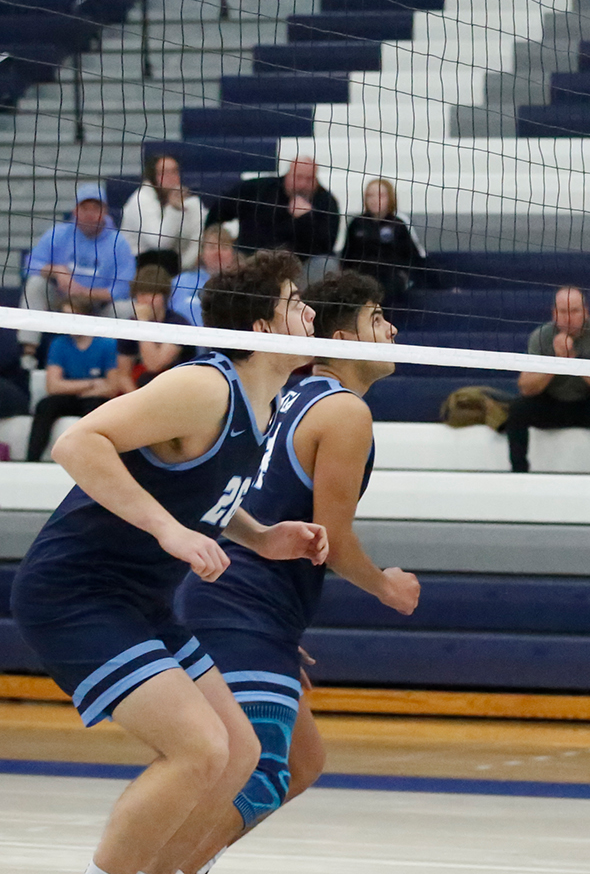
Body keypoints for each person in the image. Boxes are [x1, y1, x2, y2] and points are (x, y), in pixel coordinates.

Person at [7, 249, 327, 874]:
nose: (312, 313)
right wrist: (166, 530)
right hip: (76, 593)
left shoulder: (265, 403)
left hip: (143, 600)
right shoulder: (204, 386)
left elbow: (201, 490)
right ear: (262, 327)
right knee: (198, 750)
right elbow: (77, 443)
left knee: (240, 754)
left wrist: (261, 537)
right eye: (296, 303)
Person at [173, 271, 419, 872]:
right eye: (376, 318)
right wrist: (387, 586)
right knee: (260, 774)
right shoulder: (344, 412)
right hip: (241, 605)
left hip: (231, 599)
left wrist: (277, 635)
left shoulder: (284, 393)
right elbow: (332, 543)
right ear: (344, 339)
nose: (391, 328)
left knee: (302, 762)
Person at [505, 285, 590, 475]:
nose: (569, 318)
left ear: (586, 312)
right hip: (552, 404)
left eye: (575, 311)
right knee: (518, 408)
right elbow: (526, 387)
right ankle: (519, 473)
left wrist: (573, 359)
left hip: (588, 403)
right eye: (563, 312)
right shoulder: (541, 336)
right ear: (554, 314)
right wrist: (556, 361)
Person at [19, 183, 137, 365]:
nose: (90, 214)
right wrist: (57, 270)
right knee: (35, 284)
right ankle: (28, 352)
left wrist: (84, 292)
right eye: (84, 208)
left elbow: (123, 289)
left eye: (95, 208)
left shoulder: (119, 243)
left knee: (126, 308)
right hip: (63, 302)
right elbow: (29, 264)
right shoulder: (59, 234)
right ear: (75, 211)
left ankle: (113, 361)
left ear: (105, 212)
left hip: (98, 307)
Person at [202, 155, 341, 285]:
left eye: (309, 179)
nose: (302, 184)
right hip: (252, 263)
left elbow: (327, 245)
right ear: (288, 175)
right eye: (298, 177)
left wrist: (306, 219)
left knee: (326, 264)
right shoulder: (258, 190)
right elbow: (219, 210)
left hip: (300, 269)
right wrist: (216, 239)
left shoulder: (326, 202)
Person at [27, 316, 123, 462]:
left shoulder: (107, 344)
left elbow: (111, 387)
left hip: (95, 398)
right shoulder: (59, 344)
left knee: (94, 408)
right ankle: (32, 461)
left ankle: (94, 462)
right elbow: (53, 386)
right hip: (74, 396)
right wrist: (91, 384)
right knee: (45, 405)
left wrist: (70, 386)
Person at [340, 177, 428, 305]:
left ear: (390, 198)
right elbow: (346, 257)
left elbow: (414, 257)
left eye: (380, 195)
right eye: (370, 195)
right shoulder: (357, 224)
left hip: (390, 277)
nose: (375, 200)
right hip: (362, 276)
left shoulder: (399, 224)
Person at [120, 153, 206, 276]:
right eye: (164, 173)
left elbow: (199, 237)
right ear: (152, 176)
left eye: (174, 171)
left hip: (180, 270)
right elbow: (160, 243)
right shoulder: (140, 200)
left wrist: (185, 267)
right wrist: (174, 209)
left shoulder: (190, 202)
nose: (172, 178)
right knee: (165, 256)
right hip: (140, 269)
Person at [117, 264, 199, 391]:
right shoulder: (130, 326)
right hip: (141, 391)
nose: (147, 300)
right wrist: (138, 399)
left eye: (154, 294)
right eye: (142, 294)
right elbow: (123, 375)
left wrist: (143, 322)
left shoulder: (178, 324)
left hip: (177, 387)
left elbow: (154, 365)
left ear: (164, 296)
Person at [173, 225, 238, 327]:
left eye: (224, 247)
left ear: (233, 253)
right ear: (202, 253)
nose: (218, 252)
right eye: (212, 247)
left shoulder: (241, 284)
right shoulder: (182, 281)